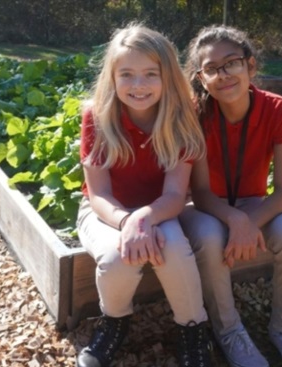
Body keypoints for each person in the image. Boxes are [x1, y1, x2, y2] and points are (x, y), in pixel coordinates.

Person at [179, 25, 282, 367]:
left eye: (232, 63)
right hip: (204, 207)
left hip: (254, 203)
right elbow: (199, 192)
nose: (223, 75)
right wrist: (236, 220)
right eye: (211, 69)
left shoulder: (279, 109)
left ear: (250, 66)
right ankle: (228, 331)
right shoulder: (196, 114)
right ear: (201, 77)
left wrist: (249, 220)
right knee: (210, 238)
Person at [76, 23, 214, 367]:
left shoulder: (182, 117)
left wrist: (145, 217)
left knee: (175, 250)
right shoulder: (98, 116)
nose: (138, 85)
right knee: (115, 256)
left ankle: (193, 327)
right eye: (127, 74)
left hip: (161, 209)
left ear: (167, 76)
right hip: (106, 211)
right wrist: (128, 221)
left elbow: (174, 194)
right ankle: (115, 320)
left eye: (151, 74)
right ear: (112, 76)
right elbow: (99, 195)